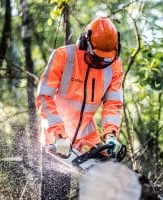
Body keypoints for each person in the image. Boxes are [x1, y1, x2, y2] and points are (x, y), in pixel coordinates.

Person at [35, 16, 123, 199]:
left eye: (106, 59)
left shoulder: (114, 65)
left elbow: (113, 103)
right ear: (85, 43)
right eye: (97, 57)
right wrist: (59, 135)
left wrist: (111, 134)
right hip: (56, 139)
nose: (102, 63)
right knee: (55, 194)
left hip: (87, 139)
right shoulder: (64, 57)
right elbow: (44, 97)